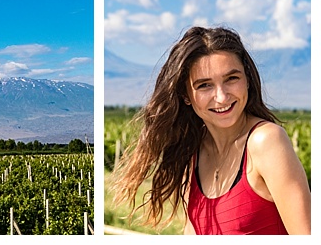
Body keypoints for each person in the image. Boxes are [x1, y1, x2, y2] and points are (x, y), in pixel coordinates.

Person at [113, 26, 310, 235]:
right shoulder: (193, 154)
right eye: (205, 85)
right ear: (186, 96)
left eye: (232, 78)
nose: (222, 97)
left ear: (248, 80)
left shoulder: (266, 142)